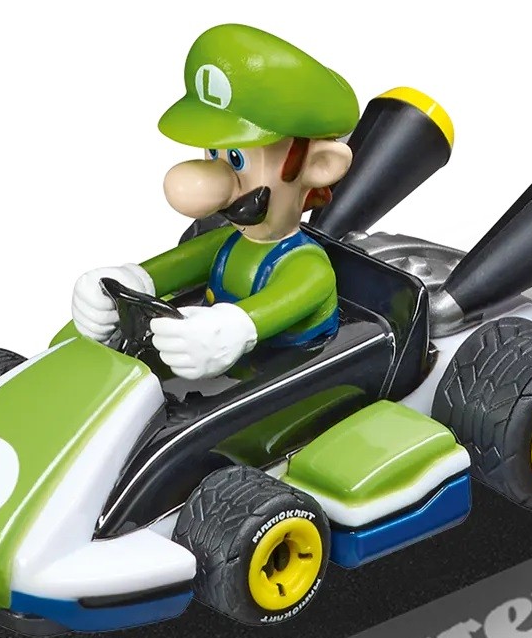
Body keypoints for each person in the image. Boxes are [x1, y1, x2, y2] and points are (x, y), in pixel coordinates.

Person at [69, 24, 359, 380]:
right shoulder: (230, 242)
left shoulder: (308, 266)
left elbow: (282, 301)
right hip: (226, 361)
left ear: (319, 165)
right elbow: (178, 265)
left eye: (237, 159)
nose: (214, 178)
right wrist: (126, 280)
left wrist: (233, 328)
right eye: (214, 153)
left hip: (294, 378)